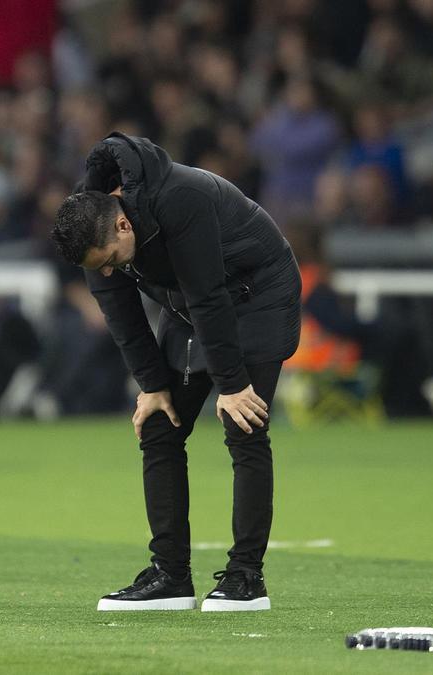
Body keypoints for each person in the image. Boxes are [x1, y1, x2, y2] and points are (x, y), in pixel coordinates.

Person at [51, 133, 301, 612]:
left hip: (260, 293)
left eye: (107, 263)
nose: (104, 274)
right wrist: (152, 386)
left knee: (244, 424)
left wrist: (231, 385)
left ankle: (246, 578)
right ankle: (170, 576)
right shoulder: (93, 229)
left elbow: (210, 295)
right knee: (159, 426)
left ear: (123, 225)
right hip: (193, 302)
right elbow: (120, 312)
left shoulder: (180, 198)